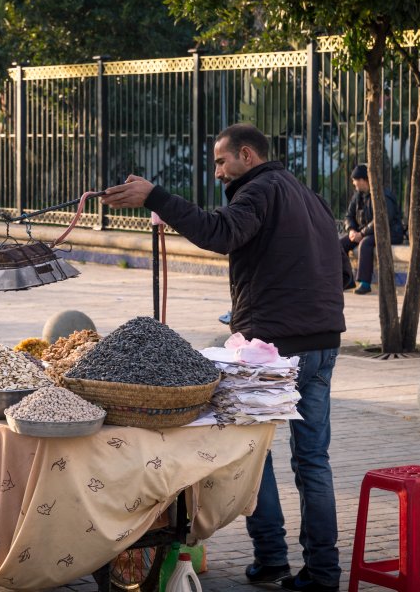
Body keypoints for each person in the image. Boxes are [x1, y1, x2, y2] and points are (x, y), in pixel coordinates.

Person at [102, 123, 346, 592]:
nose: (217, 172)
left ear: (247, 155)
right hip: (322, 344)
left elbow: (221, 233)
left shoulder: (257, 190)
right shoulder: (308, 196)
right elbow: (343, 270)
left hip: (275, 349)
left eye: (221, 161)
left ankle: (273, 557)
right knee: (312, 462)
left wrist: (157, 197)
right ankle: (322, 573)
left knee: (259, 454)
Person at [339, 164, 404, 295]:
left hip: (389, 232)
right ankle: (346, 279)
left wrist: (361, 234)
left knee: (365, 243)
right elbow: (349, 216)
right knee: (340, 244)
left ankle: (365, 283)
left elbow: (381, 220)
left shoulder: (383, 195)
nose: (353, 183)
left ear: (363, 180)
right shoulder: (358, 195)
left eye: (355, 180)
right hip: (365, 232)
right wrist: (351, 229)